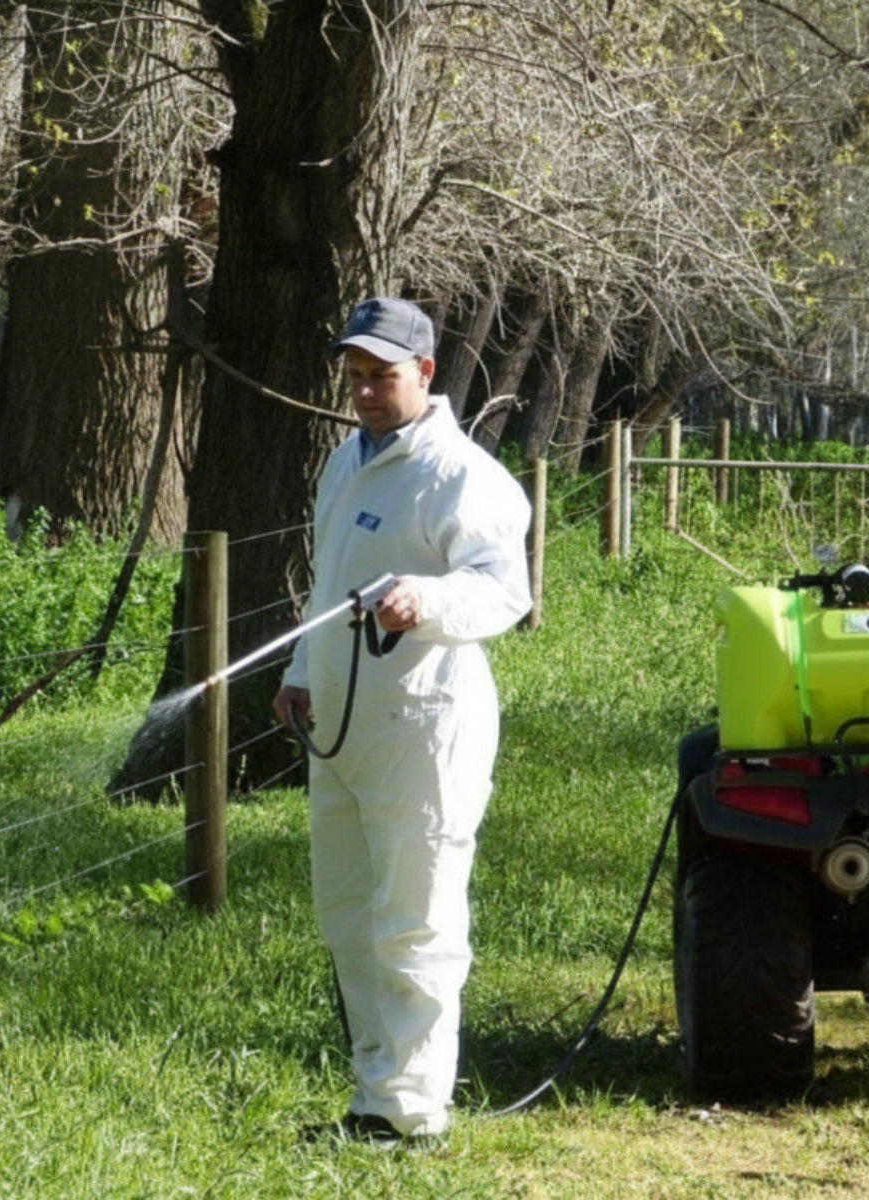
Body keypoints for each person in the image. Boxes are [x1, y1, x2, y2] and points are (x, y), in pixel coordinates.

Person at [273, 296, 532, 1141]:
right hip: (342, 726)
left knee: (416, 923)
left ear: (425, 372)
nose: (363, 391)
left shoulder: (463, 476)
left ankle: (413, 1112)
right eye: (354, 375)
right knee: (349, 916)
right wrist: (301, 674)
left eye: (380, 376)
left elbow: (502, 591)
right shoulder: (344, 461)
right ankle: (372, 1096)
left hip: (428, 728)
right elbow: (328, 583)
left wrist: (427, 599)